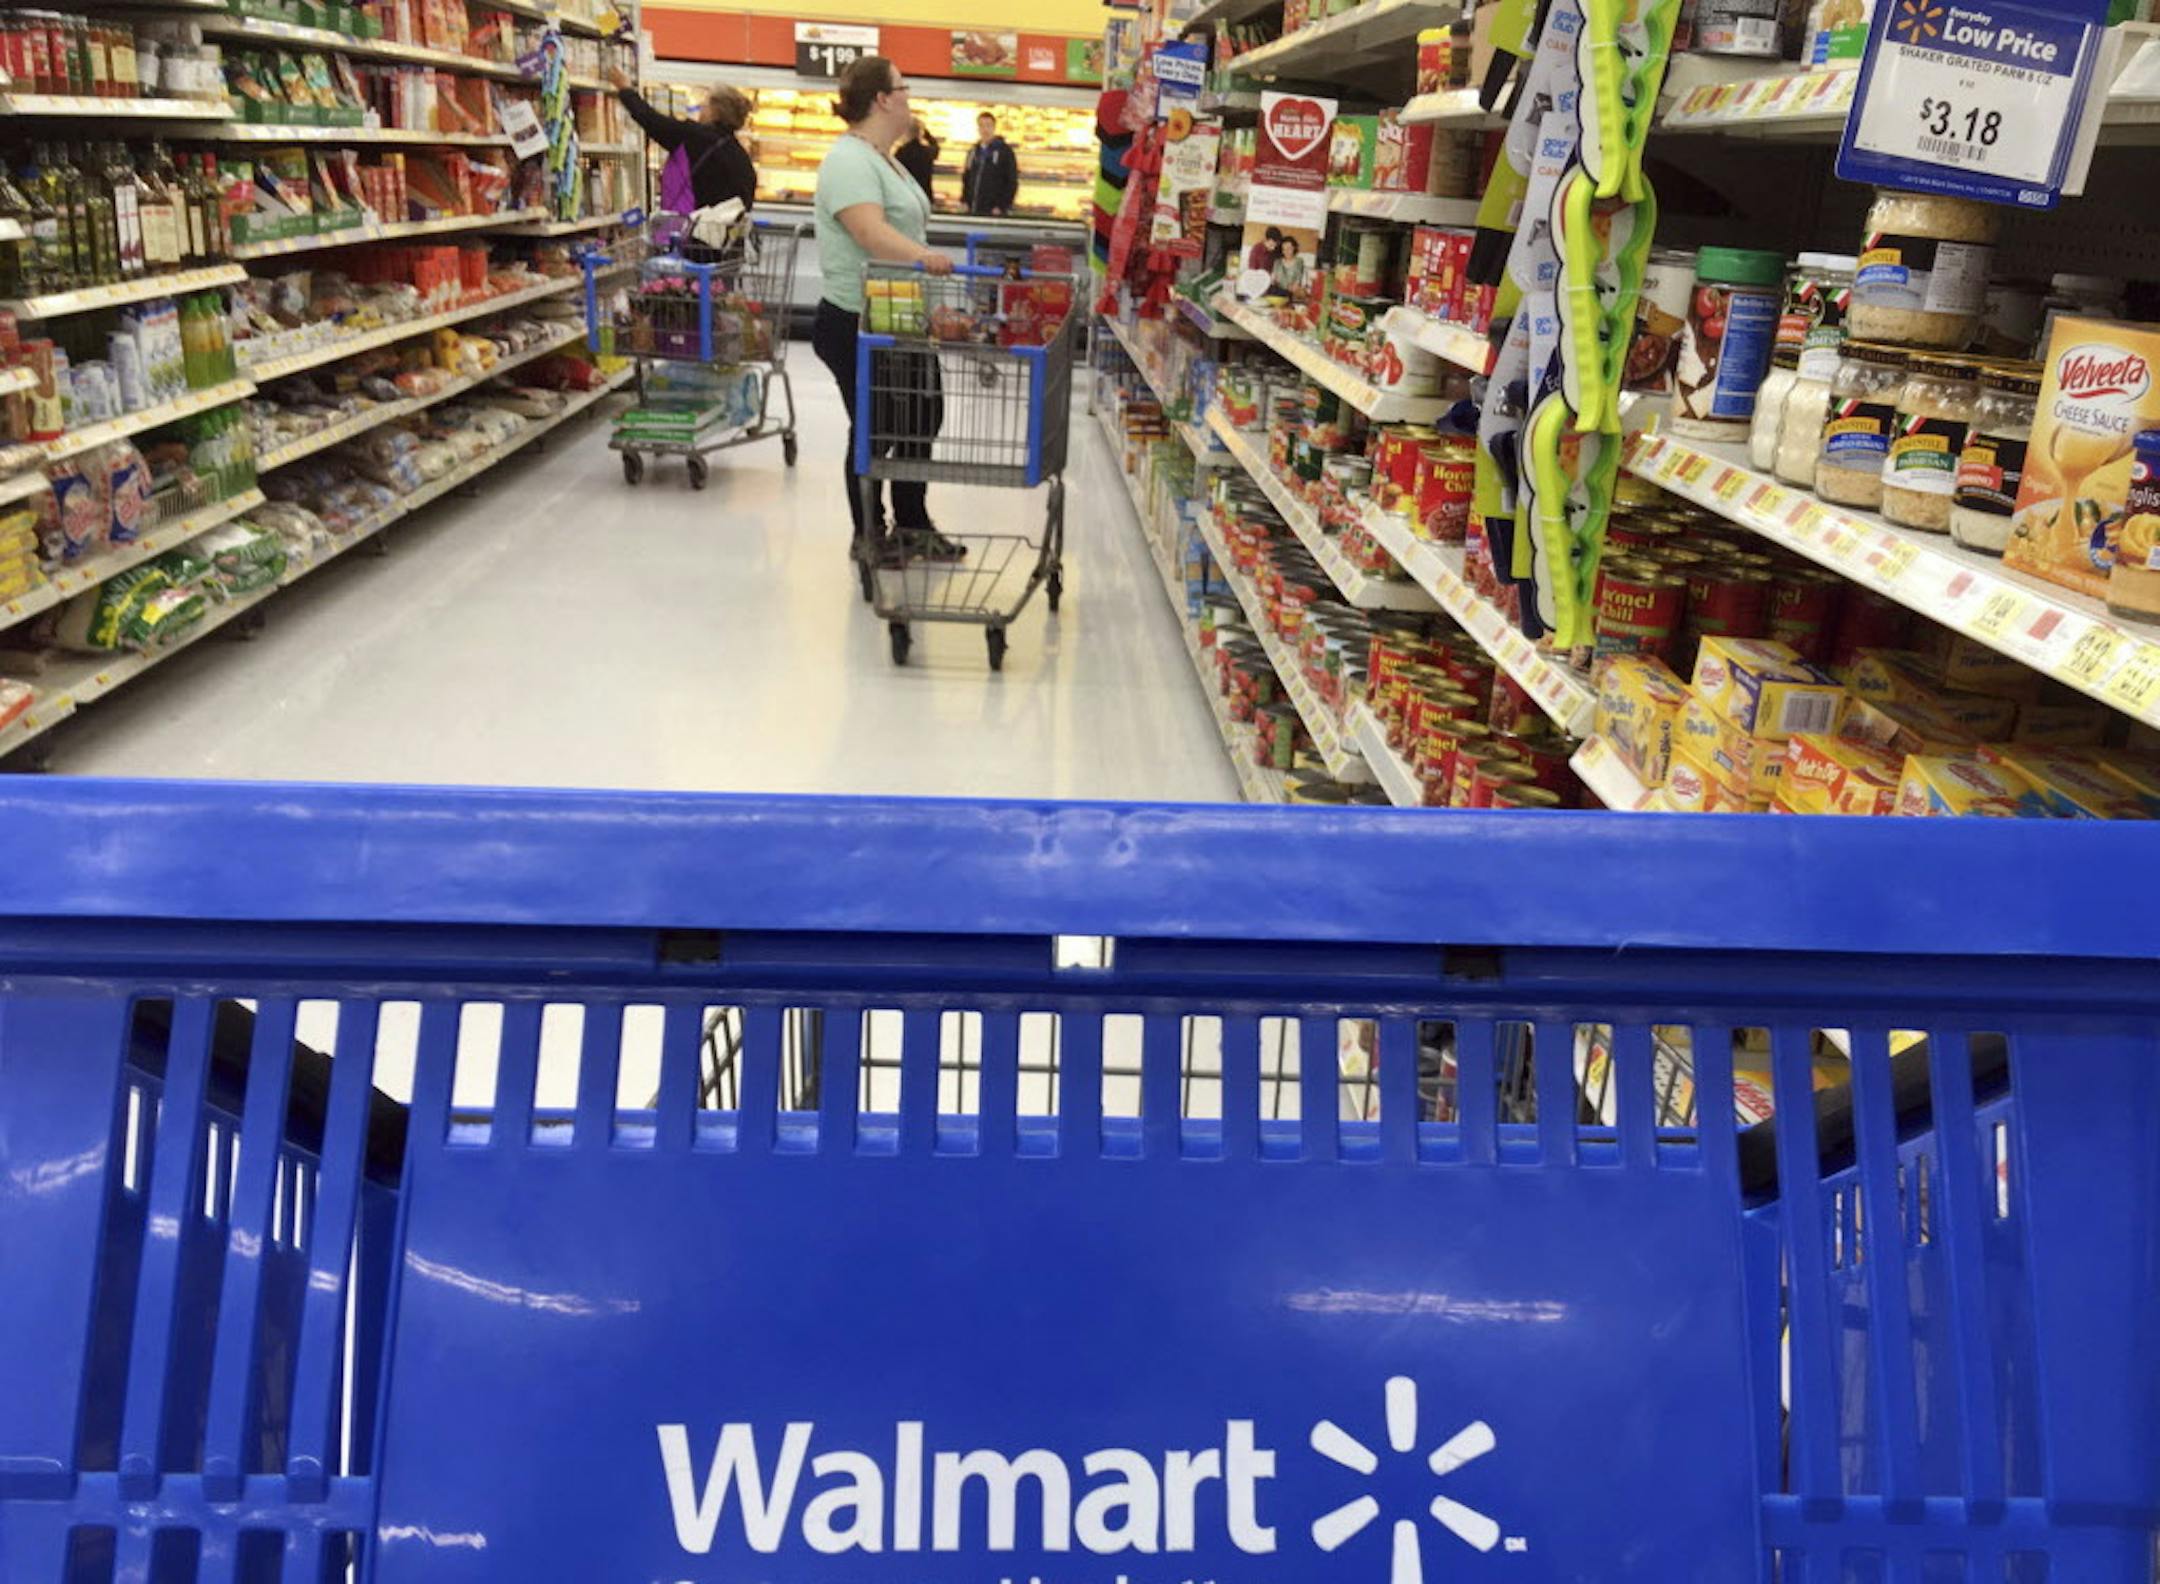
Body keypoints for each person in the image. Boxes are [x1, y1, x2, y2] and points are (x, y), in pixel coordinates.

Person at [811, 56, 963, 562]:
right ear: (882, 98)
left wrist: (930, 304)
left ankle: (913, 524)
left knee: (921, 419)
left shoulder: (886, 158)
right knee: (876, 429)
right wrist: (927, 259)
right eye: (904, 85)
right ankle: (868, 533)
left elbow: (902, 227)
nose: (909, 93)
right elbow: (869, 233)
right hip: (858, 320)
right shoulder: (849, 159)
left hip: (900, 318)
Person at [605, 67, 757, 215]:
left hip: (689, 231)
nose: (700, 111)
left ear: (714, 111)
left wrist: (624, 88)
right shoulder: (741, 156)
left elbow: (651, 120)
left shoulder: (694, 136)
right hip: (726, 236)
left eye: (703, 106)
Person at [962, 111, 1019, 218]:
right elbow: (966, 177)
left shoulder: (1005, 152)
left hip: (994, 212)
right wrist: (965, 201)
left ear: (994, 128)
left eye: (988, 125)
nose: (985, 129)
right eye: (981, 126)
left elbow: (1011, 181)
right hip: (973, 210)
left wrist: (1002, 206)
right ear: (978, 129)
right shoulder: (973, 152)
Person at [894, 116, 939, 203]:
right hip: (925, 195)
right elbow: (936, 147)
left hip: (907, 196)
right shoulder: (927, 152)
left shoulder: (901, 152)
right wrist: (927, 134)